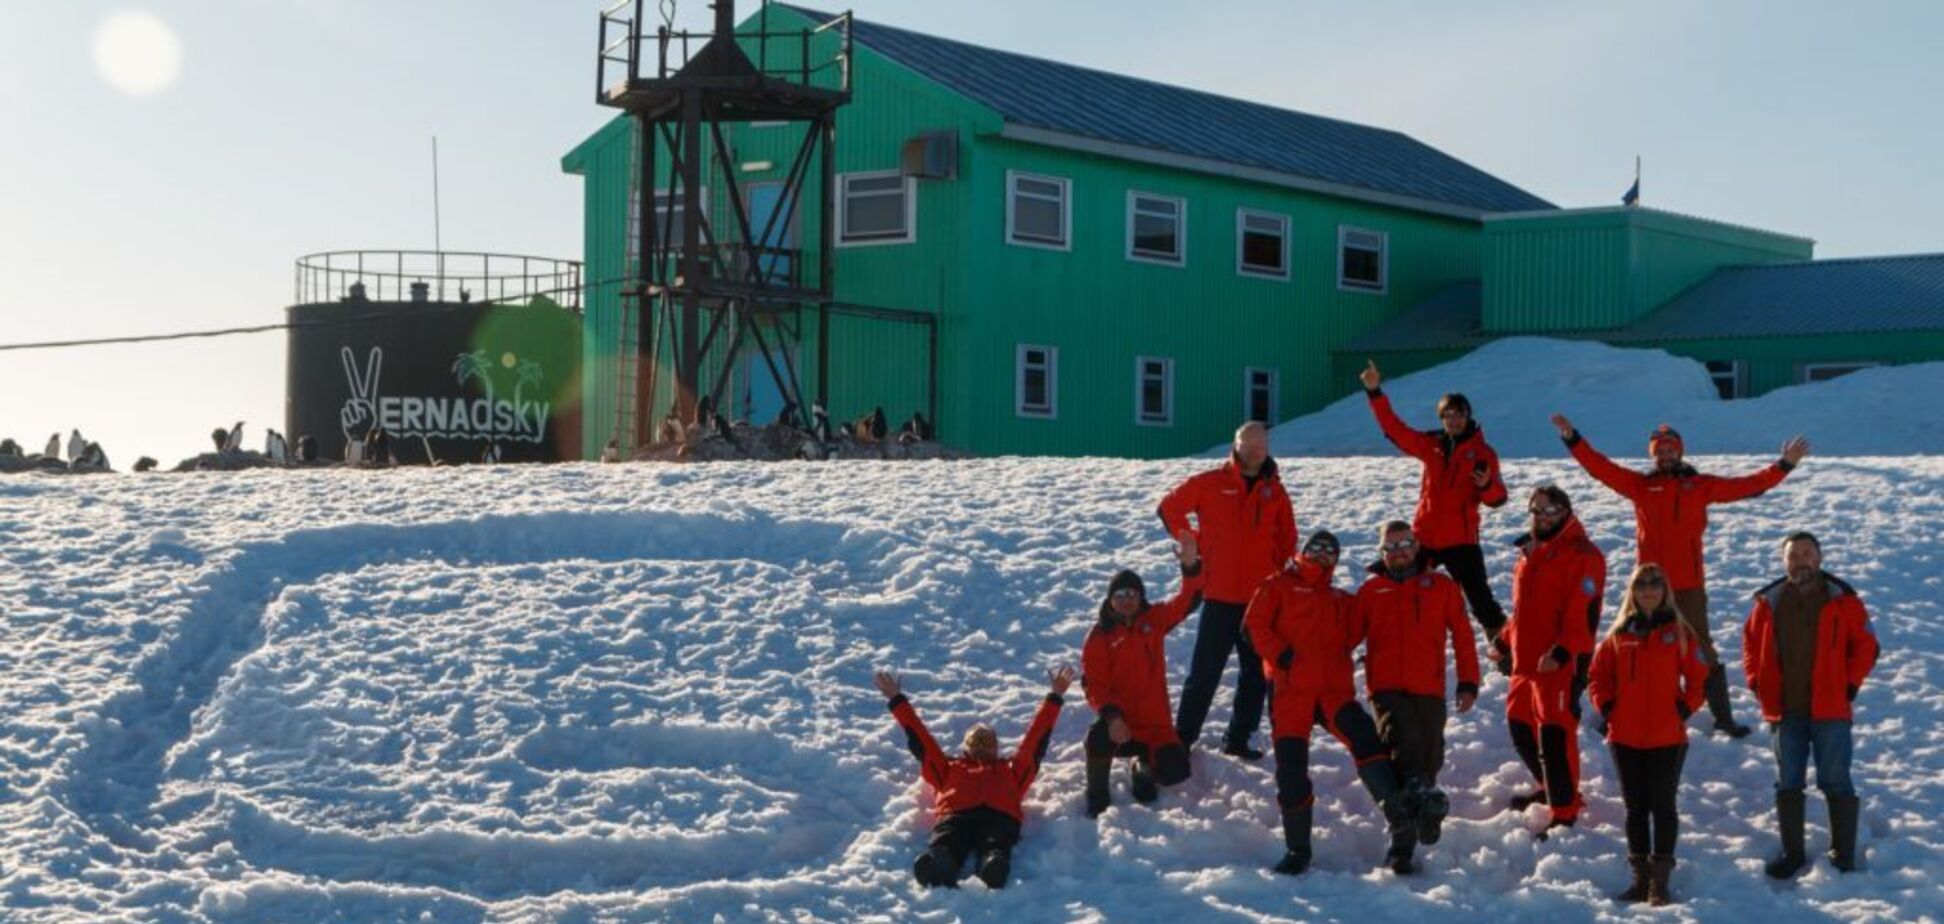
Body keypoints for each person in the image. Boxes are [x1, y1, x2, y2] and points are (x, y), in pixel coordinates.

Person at [1551, 413, 1809, 738]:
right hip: (1647, 586)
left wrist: (1784, 465)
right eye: (1660, 450)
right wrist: (1572, 438)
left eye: (1671, 449)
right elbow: (1600, 467)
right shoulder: (1640, 486)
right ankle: (1612, 712)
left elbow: (1748, 485)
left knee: (1703, 650)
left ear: (1680, 452)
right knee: (1630, 646)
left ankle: (1724, 719)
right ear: (1653, 455)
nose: (1666, 454)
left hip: (1688, 586)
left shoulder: (1699, 486)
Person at [1246, 530, 1420, 875]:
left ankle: (1401, 825)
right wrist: (1281, 656)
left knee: (1370, 744)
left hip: (1334, 694)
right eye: (1317, 548)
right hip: (1291, 695)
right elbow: (1254, 624)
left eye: (1331, 552)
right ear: (1304, 550)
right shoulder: (1277, 585)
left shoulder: (1340, 599)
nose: (1323, 554)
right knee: (1291, 769)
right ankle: (1298, 850)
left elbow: (1365, 622)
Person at [1157, 421, 1296, 761]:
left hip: (1258, 602)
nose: (1255, 452)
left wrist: (1277, 575)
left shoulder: (1275, 491)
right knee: (1204, 673)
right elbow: (1168, 507)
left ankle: (1238, 737)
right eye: (1249, 446)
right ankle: (1183, 739)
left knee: (1254, 675)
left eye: (1261, 447)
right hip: (1219, 596)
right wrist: (1189, 538)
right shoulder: (1210, 483)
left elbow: (1288, 538)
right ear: (1236, 446)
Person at [1743, 531, 1879, 878]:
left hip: (1829, 711)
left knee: (1835, 780)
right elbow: (1749, 644)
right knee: (1788, 782)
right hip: (1786, 711)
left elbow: (1867, 646)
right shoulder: (1768, 602)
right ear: (1784, 561)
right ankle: (1792, 854)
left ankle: (1843, 855)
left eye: (1806, 553)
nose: (1800, 560)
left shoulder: (1843, 600)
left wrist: (1848, 685)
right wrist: (1757, 683)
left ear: (1819, 558)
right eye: (1793, 555)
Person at [1358, 361, 1510, 657]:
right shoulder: (1432, 445)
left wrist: (1486, 484)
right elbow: (1395, 429)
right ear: (1441, 418)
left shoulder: (1482, 453)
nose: (1453, 420)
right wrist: (1375, 392)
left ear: (1468, 416)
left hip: (1461, 541)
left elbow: (1498, 498)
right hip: (1424, 538)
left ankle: (1509, 652)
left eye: (1459, 414)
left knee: (1481, 601)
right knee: (1399, 589)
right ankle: (1389, 644)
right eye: (1447, 415)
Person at [875, 665, 1075, 889]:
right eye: (976, 742)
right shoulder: (949, 767)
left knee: (996, 840)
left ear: (997, 748)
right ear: (966, 749)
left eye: (987, 742)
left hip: (999, 816)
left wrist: (1055, 697)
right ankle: (940, 861)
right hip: (956, 815)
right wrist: (896, 699)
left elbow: (1035, 739)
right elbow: (921, 738)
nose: (982, 747)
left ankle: (992, 864)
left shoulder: (1012, 771)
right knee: (948, 837)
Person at [1353, 520, 1480, 850]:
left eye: (1404, 544)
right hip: (1385, 686)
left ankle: (1421, 819)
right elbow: (1345, 637)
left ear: (1417, 545)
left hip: (1429, 686)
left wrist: (1468, 681)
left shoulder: (1441, 586)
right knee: (1404, 745)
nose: (1398, 552)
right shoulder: (1371, 590)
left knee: (1429, 758)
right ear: (1382, 552)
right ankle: (1402, 848)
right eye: (1390, 547)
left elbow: (1463, 636)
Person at [1587, 562, 1709, 906]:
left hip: (1667, 737)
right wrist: (1608, 707)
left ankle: (1661, 883)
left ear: (1664, 590)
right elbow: (1598, 676)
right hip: (1624, 737)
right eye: (1642, 585)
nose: (1649, 590)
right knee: (1635, 809)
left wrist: (1684, 709)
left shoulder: (1680, 633)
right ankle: (1640, 881)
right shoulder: (1619, 634)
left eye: (1655, 584)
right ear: (1633, 592)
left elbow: (1700, 676)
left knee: (1663, 807)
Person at [1499, 485, 1605, 838]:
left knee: (1555, 734)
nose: (1542, 518)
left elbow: (1583, 612)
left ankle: (1565, 810)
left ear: (1566, 513)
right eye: (1537, 511)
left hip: (1557, 663)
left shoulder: (1583, 554)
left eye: (1551, 512)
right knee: (1519, 724)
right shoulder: (1529, 551)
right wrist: (1503, 641)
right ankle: (1550, 786)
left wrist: (1563, 649)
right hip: (1525, 659)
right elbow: (1523, 609)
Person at [1081, 531, 1204, 816]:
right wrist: (1112, 717)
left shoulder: (1155, 620)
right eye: (1120, 595)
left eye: (1132, 594)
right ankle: (1097, 793)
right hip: (1122, 725)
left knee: (1176, 769)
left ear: (1140, 597)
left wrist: (1190, 566)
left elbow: (1190, 598)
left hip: (1156, 726)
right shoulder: (1100, 636)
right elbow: (1095, 685)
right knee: (1098, 737)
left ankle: (1143, 768)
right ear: (1110, 600)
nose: (1126, 600)